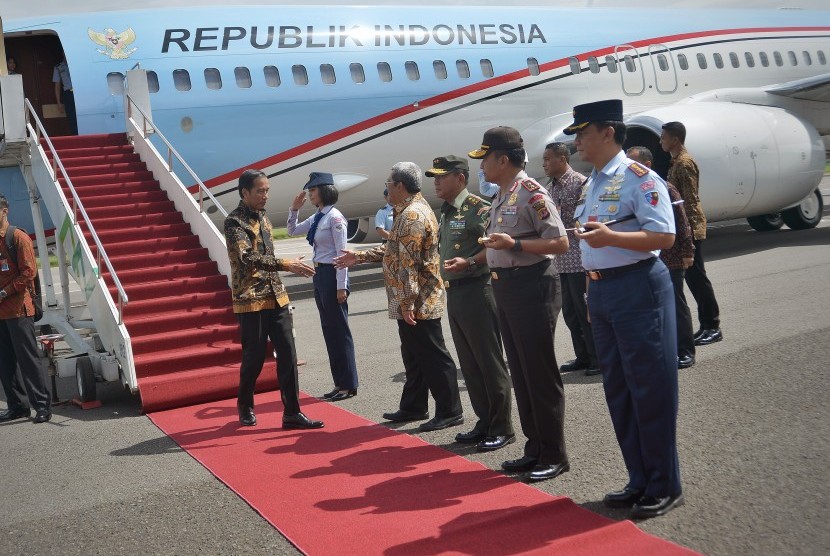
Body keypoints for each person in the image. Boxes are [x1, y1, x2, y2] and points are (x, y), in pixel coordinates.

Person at [567, 100, 683, 518]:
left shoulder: (638, 177)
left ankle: (664, 483)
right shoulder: (592, 183)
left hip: (638, 287)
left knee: (650, 389)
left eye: (583, 132)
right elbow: (591, 245)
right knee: (618, 390)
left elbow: (663, 236)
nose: (577, 140)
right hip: (602, 293)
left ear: (608, 133)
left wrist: (611, 239)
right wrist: (588, 291)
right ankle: (639, 478)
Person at [465, 127, 570, 483]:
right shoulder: (503, 194)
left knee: (538, 373)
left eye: (485, 160)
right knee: (522, 373)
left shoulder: (531, 192)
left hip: (532, 287)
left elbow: (559, 242)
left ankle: (554, 453)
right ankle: (534, 447)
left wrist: (515, 245)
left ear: (503, 159)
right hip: (507, 289)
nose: (482, 167)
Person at [334, 162, 463, 433]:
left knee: (432, 355)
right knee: (414, 355)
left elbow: (407, 264)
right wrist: (357, 256)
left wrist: (406, 303)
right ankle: (414, 406)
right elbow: (394, 250)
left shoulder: (412, 215)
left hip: (418, 300)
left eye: (388, 184)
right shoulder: (406, 211)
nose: (386, 188)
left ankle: (450, 410)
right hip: (411, 298)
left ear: (400, 186)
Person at [224, 169, 323, 429]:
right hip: (251, 299)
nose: (265, 195)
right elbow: (248, 258)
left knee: (288, 355)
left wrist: (287, 264)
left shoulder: (265, 218)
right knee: (254, 358)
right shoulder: (234, 222)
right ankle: (245, 404)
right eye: (260, 191)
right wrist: (285, 264)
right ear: (245, 193)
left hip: (276, 296)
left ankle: (292, 412)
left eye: (267, 190)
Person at [429, 155, 515, 452]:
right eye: (435, 177)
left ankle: (502, 426)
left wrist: (470, 261)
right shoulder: (447, 211)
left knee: (489, 362)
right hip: (456, 292)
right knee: (470, 364)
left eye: (442, 176)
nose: (436, 182)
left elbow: (493, 244)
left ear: (460, 179)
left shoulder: (477, 208)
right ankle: (485, 420)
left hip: (478, 289)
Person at [287, 172, 359, 401]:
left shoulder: (335, 218)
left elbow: (342, 255)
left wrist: (341, 287)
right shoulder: (319, 217)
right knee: (329, 331)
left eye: (313, 190)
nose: (310, 194)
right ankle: (339, 383)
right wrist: (294, 209)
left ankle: (349, 384)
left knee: (340, 332)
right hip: (320, 274)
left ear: (325, 191)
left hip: (332, 273)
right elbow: (292, 230)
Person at [627, 146, 696, 369]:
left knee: (676, 304)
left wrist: (687, 251)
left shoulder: (666, 188)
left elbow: (682, 223)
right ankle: (666, 349)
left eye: (632, 162)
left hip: (671, 255)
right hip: (649, 258)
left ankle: (685, 350)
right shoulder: (631, 189)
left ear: (646, 165)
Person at [660, 121, 723, 346]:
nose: (661, 141)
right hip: (686, 226)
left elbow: (688, 200)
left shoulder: (685, 163)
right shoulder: (676, 161)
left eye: (664, 137)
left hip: (690, 226)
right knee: (694, 279)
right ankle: (705, 324)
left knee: (698, 278)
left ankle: (712, 325)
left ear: (675, 139)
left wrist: (685, 230)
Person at [543, 142, 599, 376]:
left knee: (584, 310)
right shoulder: (551, 187)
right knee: (570, 313)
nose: (544, 164)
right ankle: (583, 355)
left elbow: (584, 218)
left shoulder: (580, 183)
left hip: (578, 257)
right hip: (560, 260)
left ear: (562, 159)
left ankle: (598, 357)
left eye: (548, 159)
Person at [0, 194, 52, 424]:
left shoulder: (17, 237)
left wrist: (3, 292)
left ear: (4, 211)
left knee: (28, 360)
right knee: (5, 362)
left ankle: (41, 405)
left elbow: (29, 272)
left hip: (18, 309)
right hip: (1, 312)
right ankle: (17, 406)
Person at [53, 54, 77, 135]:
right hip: (69, 94)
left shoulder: (77, 64)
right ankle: (75, 136)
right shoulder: (58, 67)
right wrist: (59, 103)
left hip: (79, 93)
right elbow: (57, 86)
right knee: (72, 117)